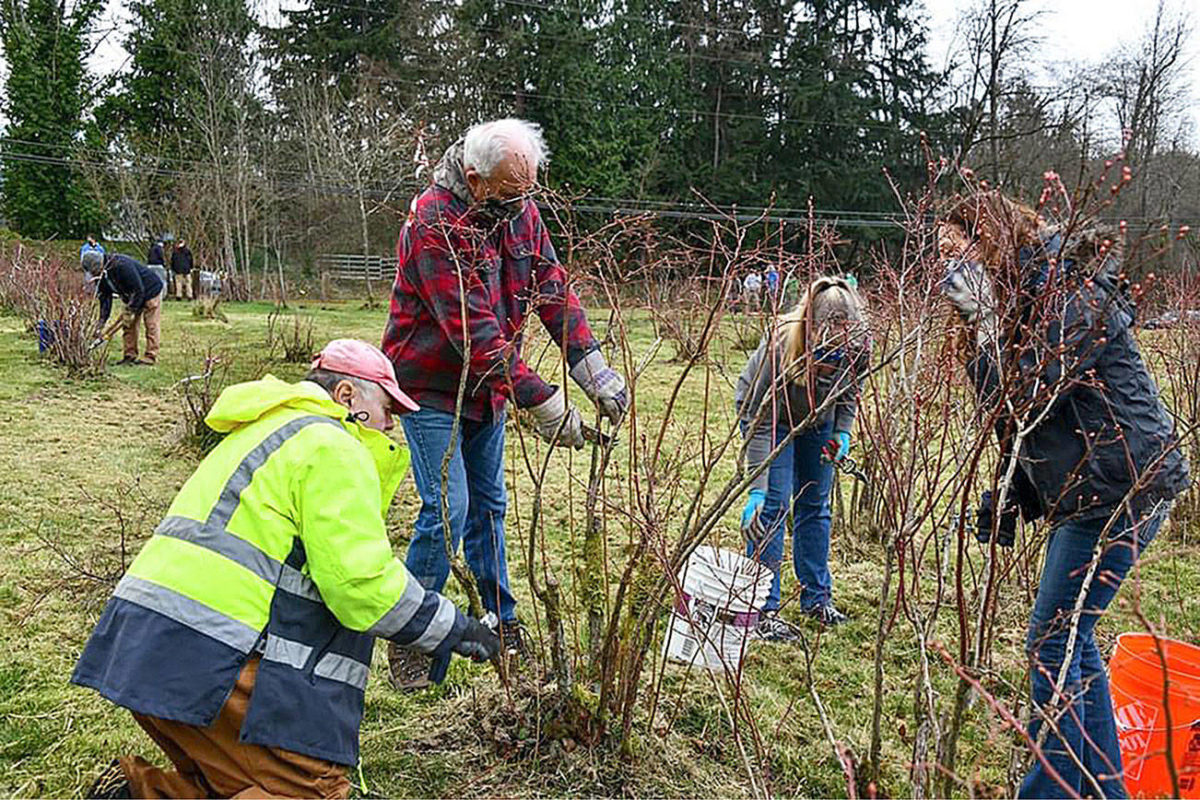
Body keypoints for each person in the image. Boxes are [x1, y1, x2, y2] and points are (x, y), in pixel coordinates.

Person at [73, 339, 500, 800]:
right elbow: (360, 584)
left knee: (233, 783)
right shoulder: (332, 444)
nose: (392, 424)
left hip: (147, 640)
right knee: (309, 791)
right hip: (213, 652)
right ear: (346, 396)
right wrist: (454, 629)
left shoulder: (264, 430)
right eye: (386, 407)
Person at [938, 192, 1190, 799]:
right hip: (1091, 489)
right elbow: (1021, 425)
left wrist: (990, 326)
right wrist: (1013, 492)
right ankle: (1103, 789)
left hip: (1122, 486)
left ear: (992, 237)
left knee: (1053, 641)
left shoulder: (1068, 290)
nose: (950, 267)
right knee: (1066, 641)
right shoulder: (1018, 302)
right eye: (943, 256)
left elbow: (1035, 389)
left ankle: (1051, 791)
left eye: (959, 249)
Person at [382, 118, 627, 689]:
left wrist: (592, 369)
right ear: (474, 178)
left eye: (530, 190)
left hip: (487, 389)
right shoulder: (432, 223)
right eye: (512, 192)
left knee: (491, 504)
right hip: (432, 384)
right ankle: (412, 636)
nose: (523, 204)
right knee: (449, 508)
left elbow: (552, 289)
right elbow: (476, 334)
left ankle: (500, 619)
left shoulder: (521, 210)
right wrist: (545, 406)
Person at [737, 276, 870, 636]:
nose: (831, 364)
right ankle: (761, 611)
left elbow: (850, 389)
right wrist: (757, 489)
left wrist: (843, 428)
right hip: (769, 418)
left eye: (840, 354)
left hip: (817, 418)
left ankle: (817, 599)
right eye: (825, 356)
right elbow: (760, 420)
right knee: (774, 505)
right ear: (811, 332)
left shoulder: (859, 342)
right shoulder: (781, 345)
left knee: (815, 502)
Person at [81, 250, 165, 366]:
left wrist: (130, 310)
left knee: (151, 325)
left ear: (100, 264)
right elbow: (105, 299)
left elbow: (138, 289)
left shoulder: (121, 265)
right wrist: (101, 323)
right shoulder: (100, 278)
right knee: (128, 326)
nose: (94, 275)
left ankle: (150, 356)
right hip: (130, 295)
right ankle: (129, 355)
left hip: (150, 290)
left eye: (95, 271)